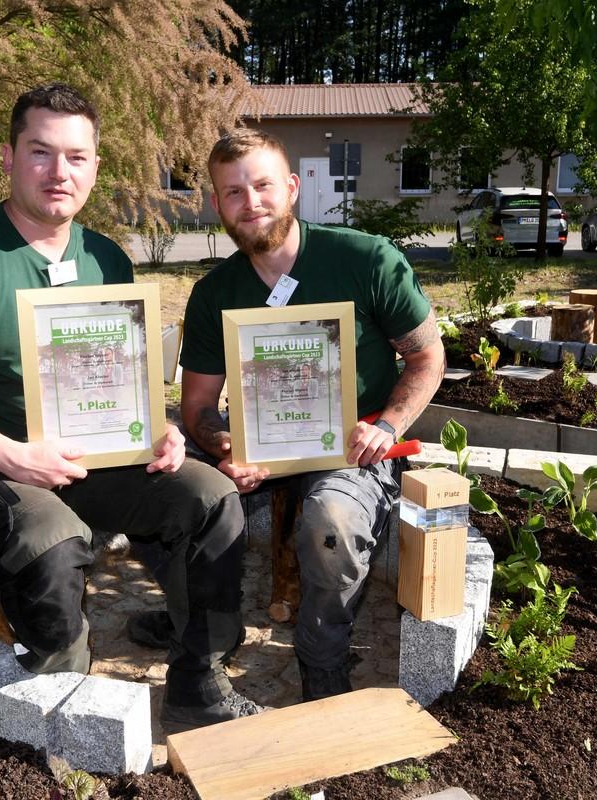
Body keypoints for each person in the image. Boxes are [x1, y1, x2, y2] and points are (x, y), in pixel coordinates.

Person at [0, 83, 260, 733]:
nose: (60, 172)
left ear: (96, 167)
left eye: (77, 157)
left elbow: (119, 376)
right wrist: (9, 453)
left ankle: (200, 677)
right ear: (7, 156)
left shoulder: (103, 257)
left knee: (211, 497)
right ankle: (65, 706)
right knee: (52, 541)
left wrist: (159, 428)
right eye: (41, 152)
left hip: (100, 458)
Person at [178, 128, 445, 701]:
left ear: (293, 188)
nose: (250, 203)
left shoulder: (365, 258)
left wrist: (388, 427)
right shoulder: (213, 293)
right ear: (216, 204)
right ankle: (198, 631)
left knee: (331, 521)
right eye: (232, 192)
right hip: (258, 441)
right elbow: (198, 406)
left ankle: (321, 660)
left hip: (352, 444)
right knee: (177, 493)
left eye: (263, 185)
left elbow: (427, 356)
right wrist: (224, 444)